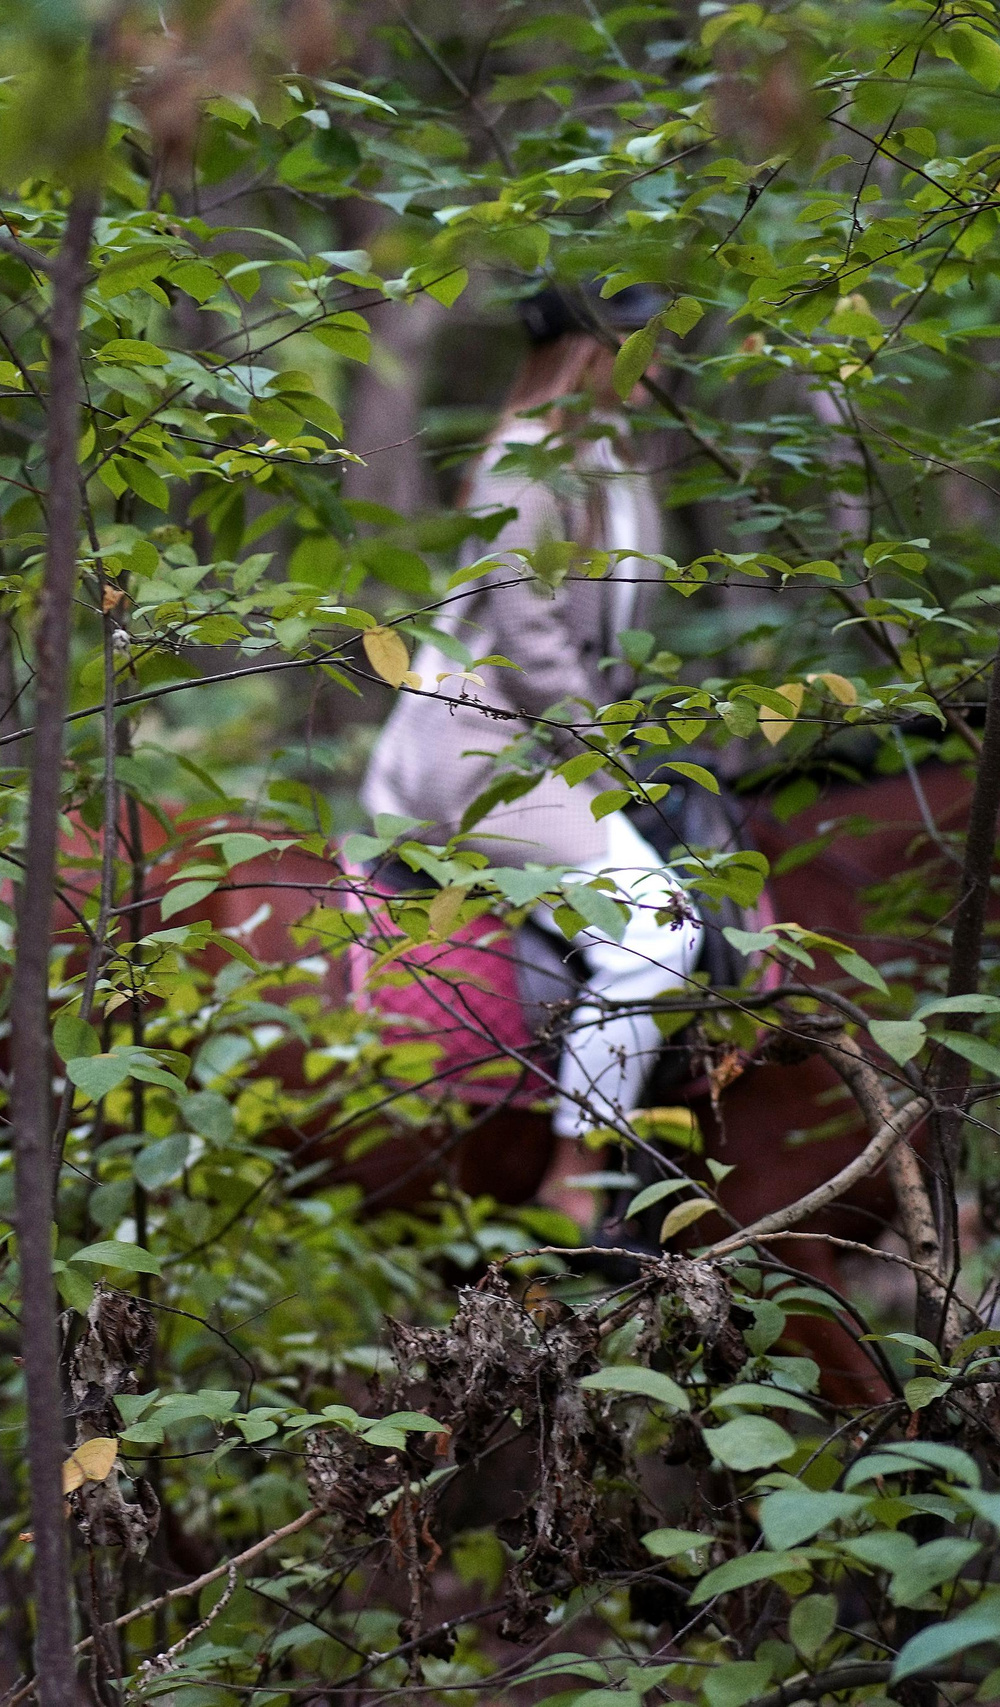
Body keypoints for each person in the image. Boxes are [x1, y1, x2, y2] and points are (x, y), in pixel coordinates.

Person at [357, 282, 700, 1230]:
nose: (660, 368)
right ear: (595, 354)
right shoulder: (528, 461)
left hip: (547, 747)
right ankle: (573, 1169)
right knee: (660, 931)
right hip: (479, 751)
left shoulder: (608, 461)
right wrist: (612, 757)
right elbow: (530, 636)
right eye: (641, 347)